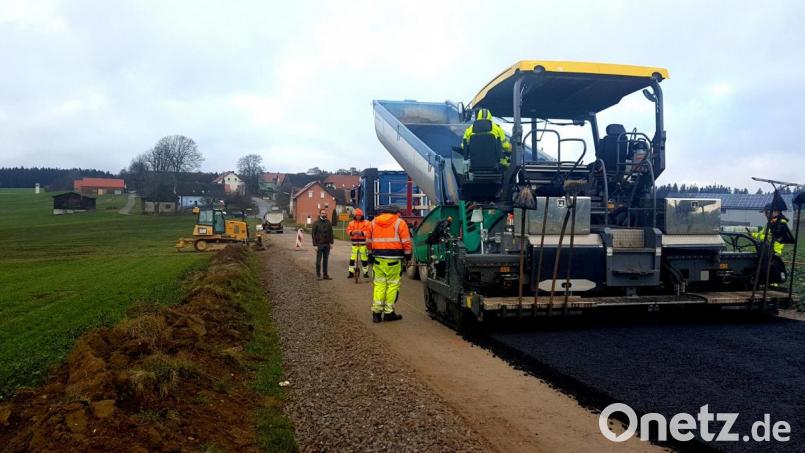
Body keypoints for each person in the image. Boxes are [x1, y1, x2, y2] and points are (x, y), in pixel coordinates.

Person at [366, 205, 412, 323]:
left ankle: (376, 314)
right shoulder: (400, 223)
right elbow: (406, 242)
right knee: (392, 286)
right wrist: (408, 257)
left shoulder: (373, 222)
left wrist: (371, 252)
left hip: (378, 258)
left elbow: (368, 241)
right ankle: (388, 313)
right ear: (396, 212)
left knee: (379, 285)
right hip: (394, 259)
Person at [346, 208, 371, 278]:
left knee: (364, 258)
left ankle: (365, 273)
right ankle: (351, 272)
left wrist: (362, 233)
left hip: (363, 243)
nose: (358, 217)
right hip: (354, 243)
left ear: (362, 215)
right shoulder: (351, 223)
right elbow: (348, 230)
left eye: (359, 215)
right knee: (352, 258)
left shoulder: (367, 223)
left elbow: (369, 232)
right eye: (356, 215)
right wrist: (352, 232)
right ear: (355, 216)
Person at [311, 208, 334, 280]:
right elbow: (313, 234)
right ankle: (318, 275)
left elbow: (331, 233)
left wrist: (331, 243)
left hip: (327, 245)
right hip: (319, 245)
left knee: (325, 261)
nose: (324, 214)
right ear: (320, 214)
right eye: (322, 213)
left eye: (325, 213)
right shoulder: (316, 223)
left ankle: (325, 275)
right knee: (318, 261)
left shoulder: (328, 222)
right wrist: (315, 245)